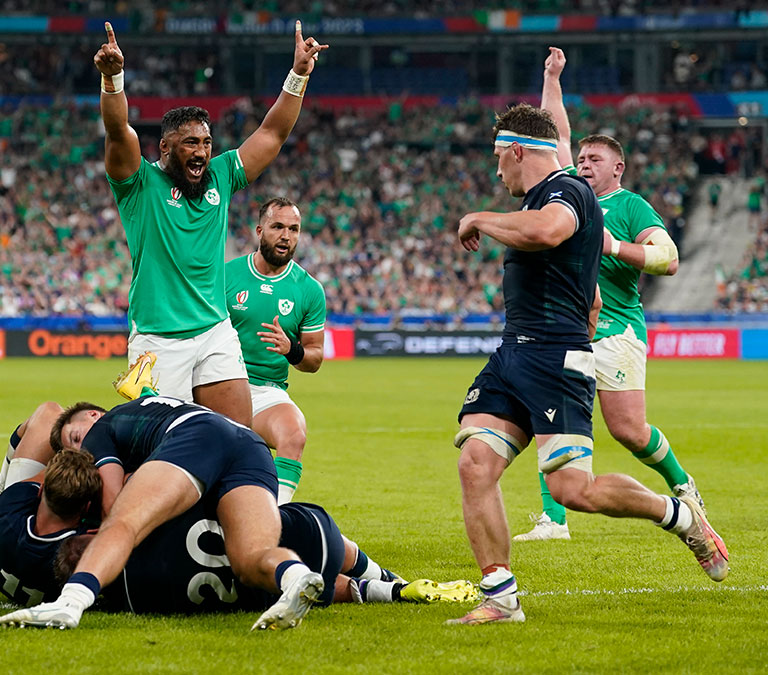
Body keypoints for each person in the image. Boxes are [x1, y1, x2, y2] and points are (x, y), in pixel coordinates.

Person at [450, 104, 728, 625]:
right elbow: (589, 292)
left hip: (555, 360)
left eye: (498, 157)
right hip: (515, 352)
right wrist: (551, 83)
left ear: (516, 151)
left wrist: (479, 218)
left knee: (574, 490)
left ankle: (680, 515)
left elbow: (548, 232)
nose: (496, 170)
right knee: (475, 462)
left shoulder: (567, 193)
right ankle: (500, 595)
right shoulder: (539, 195)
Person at [95, 20, 327, 427]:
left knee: (237, 438)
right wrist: (113, 79)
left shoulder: (220, 175)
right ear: (165, 147)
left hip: (215, 333)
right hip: (158, 341)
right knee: (163, 452)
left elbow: (272, 132)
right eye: (191, 143)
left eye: (206, 143)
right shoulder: (139, 184)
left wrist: (298, 76)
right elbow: (118, 130)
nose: (202, 151)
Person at [516, 46, 701, 542]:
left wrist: (614, 244)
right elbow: (554, 134)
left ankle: (683, 486)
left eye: (594, 160)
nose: (582, 165)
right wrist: (552, 77)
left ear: (617, 168)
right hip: (569, 330)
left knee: (629, 431)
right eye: (579, 160)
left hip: (617, 329)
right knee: (545, 416)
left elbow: (669, 258)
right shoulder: (566, 200)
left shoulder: (630, 205)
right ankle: (554, 521)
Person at [0, 397, 324, 631]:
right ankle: (294, 577)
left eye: (76, 437)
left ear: (94, 415)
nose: (80, 451)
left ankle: (71, 602)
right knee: (251, 558)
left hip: (199, 435)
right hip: (250, 446)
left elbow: (113, 508)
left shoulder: (101, 431)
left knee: (124, 522)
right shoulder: (139, 418)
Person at [55, 500, 478, 615]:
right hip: (309, 537)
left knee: (319, 586)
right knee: (329, 548)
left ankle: (390, 592)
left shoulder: (136, 598)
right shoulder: (142, 529)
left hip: (259, 593)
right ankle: (393, 577)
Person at [224, 197, 326, 503]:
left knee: (294, 433)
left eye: (293, 229)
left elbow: (315, 357)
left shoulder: (308, 289)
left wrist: (292, 350)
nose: (286, 236)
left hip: (266, 392)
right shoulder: (226, 276)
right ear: (259, 230)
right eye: (277, 226)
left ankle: (276, 516)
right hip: (218, 382)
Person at [0, 448, 100, 606]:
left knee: (41, 424)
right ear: (87, 507)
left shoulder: (6, 507)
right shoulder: (78, 550)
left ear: (39, 492)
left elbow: (42, 479)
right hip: (47, 591)